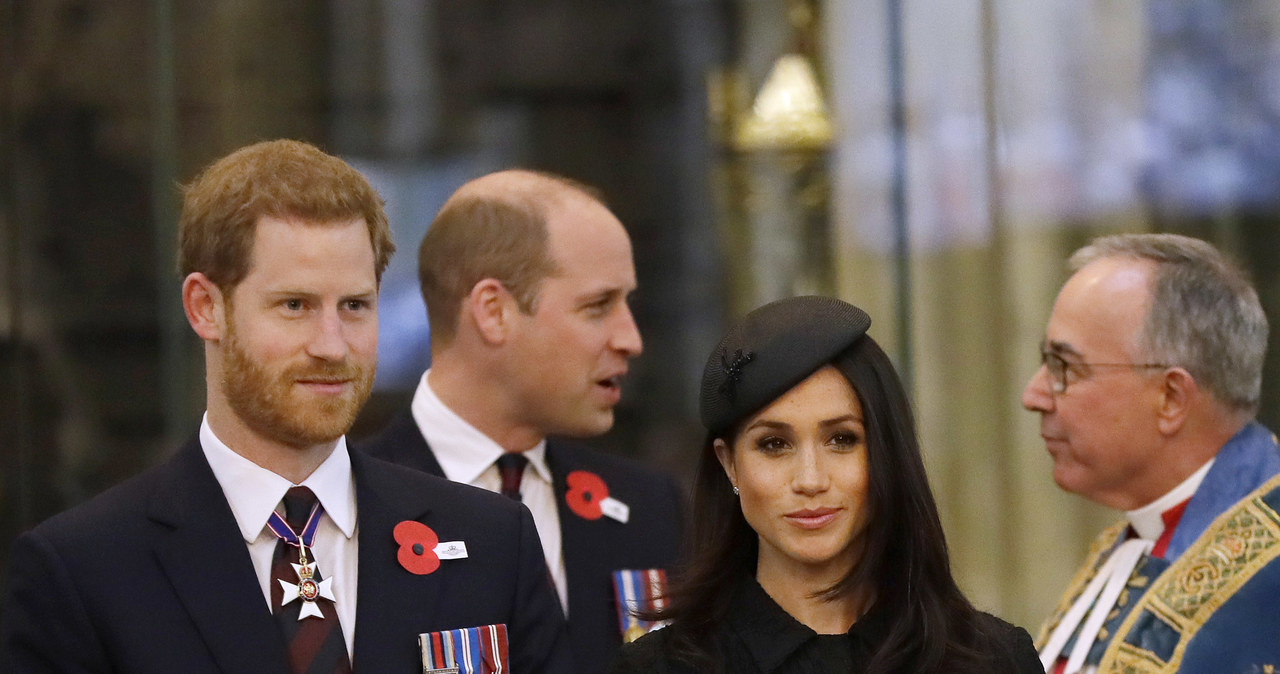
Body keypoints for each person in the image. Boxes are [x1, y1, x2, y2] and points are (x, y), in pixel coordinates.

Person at [0, 140, 571, 673]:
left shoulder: (495, 543)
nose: (331, 344)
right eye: (294, 305)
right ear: (205, 308)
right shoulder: (82, 572)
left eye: (354, 305)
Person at [359, 169, 684, 672]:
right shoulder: (349, 510)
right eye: (598, 306)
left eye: (628, 304)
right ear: (493, 312)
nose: (630, 338)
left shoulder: (649, 508)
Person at [610, 295, 1041, 673]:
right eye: (774, 444)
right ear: (729, 465)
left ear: (886, 453)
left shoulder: (994, 659)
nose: (810, 480)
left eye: (842, 439)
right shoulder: (659, 668)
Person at [1025, 233, 1280, 674]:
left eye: (1064, 366)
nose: (1034, 394)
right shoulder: (1134, 538)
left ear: (1171, 398)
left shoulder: (1267, 569)